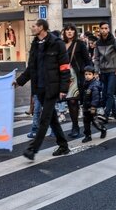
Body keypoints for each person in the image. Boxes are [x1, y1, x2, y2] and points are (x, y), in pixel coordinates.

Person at [15, 19, 71, 160]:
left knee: (44, 119)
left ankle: (32, 149)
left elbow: (64, 68)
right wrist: (19, 81)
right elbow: (31, 68)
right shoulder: (35, 44)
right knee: (52, 119)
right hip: (38, 88)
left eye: (34, 26)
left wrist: (63, 88)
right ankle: (63, 145)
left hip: (52, 87)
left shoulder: (57, 44)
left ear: (41, 28)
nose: (32, 28)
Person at [62, 23, 92, 138]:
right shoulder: (61, 44)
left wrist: (90, 73)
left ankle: (86, 126)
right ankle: (75, 126)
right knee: (71, 101)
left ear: (75, 32)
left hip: (78, 75)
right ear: (64, 32)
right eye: (67, 30)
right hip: (65, 76)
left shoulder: (79, 44)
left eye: (71, 30)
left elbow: (87, 59)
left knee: (78, 101)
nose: (69, 32)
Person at [93, 22, 116, 119]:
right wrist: (96, 71)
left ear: (109, 29)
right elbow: (96, 58)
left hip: (113, 70)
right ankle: (114, 113)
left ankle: (106, 114)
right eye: (102, 28)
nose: (104, 30)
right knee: (106, 93)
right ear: (99, 29)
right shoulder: (98, 43)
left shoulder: (114, 41)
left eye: (106, 28)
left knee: (109, 93)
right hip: (103, 71)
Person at [80, 65, 106, 142]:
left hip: (92, 107)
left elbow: (96, 98)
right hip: (86, 106)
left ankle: (102, 129)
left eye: (89, 74)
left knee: (95, 121)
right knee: (86, 121)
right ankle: (87, 135)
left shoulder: (94, 85)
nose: (87, 76)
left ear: (94, 75)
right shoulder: (85, 83)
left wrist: (93, 107)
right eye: (86, 74)